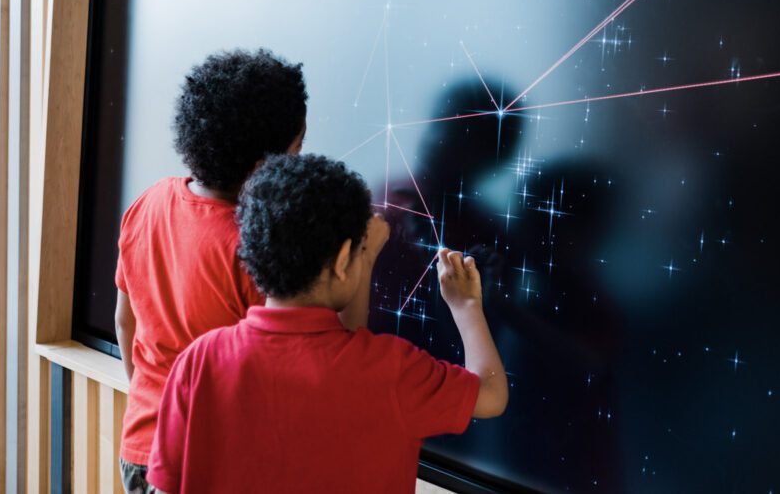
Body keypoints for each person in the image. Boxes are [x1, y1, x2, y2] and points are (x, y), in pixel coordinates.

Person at [145, 154, 508, 494]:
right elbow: (491, 395)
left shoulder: (199, 360)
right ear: (342, 260)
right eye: (361, 252)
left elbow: (165, 486)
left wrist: (361, 257)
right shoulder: (392, 370)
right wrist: (466, 306)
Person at [114, 49, 320, 493]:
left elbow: (125, 321)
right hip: (208, 464)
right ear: (264, 166)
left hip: (140, 446)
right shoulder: (255, 250)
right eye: (298, 148)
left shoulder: (149, 202)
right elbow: (287, 374)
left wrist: (148, 399)